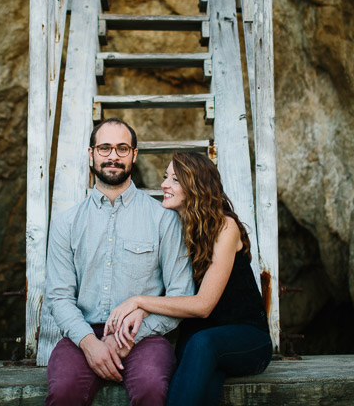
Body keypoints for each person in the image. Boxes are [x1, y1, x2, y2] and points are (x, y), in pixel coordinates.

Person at [44, 118, 195, 405]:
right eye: (105, 148)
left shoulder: (164, 219)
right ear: (91, 154)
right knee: (64, 392)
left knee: (153, 389)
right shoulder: (67, 223)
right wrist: (89, 343)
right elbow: (58, 296)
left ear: (134, 155)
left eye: (122, 148)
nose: (113, 156)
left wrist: (129, 337)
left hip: (145, 335)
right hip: (82, 334)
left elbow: (181, 293)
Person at [104, 151, 272, 405]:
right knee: (201, 371)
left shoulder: (225, 227)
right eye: (165, 177)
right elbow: (166, 288)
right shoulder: (173, 226)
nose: (163, 184)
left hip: (246, 339)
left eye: (174, 179)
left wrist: (138, 301)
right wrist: (142, 310)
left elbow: (203, 305)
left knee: (203, 345)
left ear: (196, 186)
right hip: (198, 343)